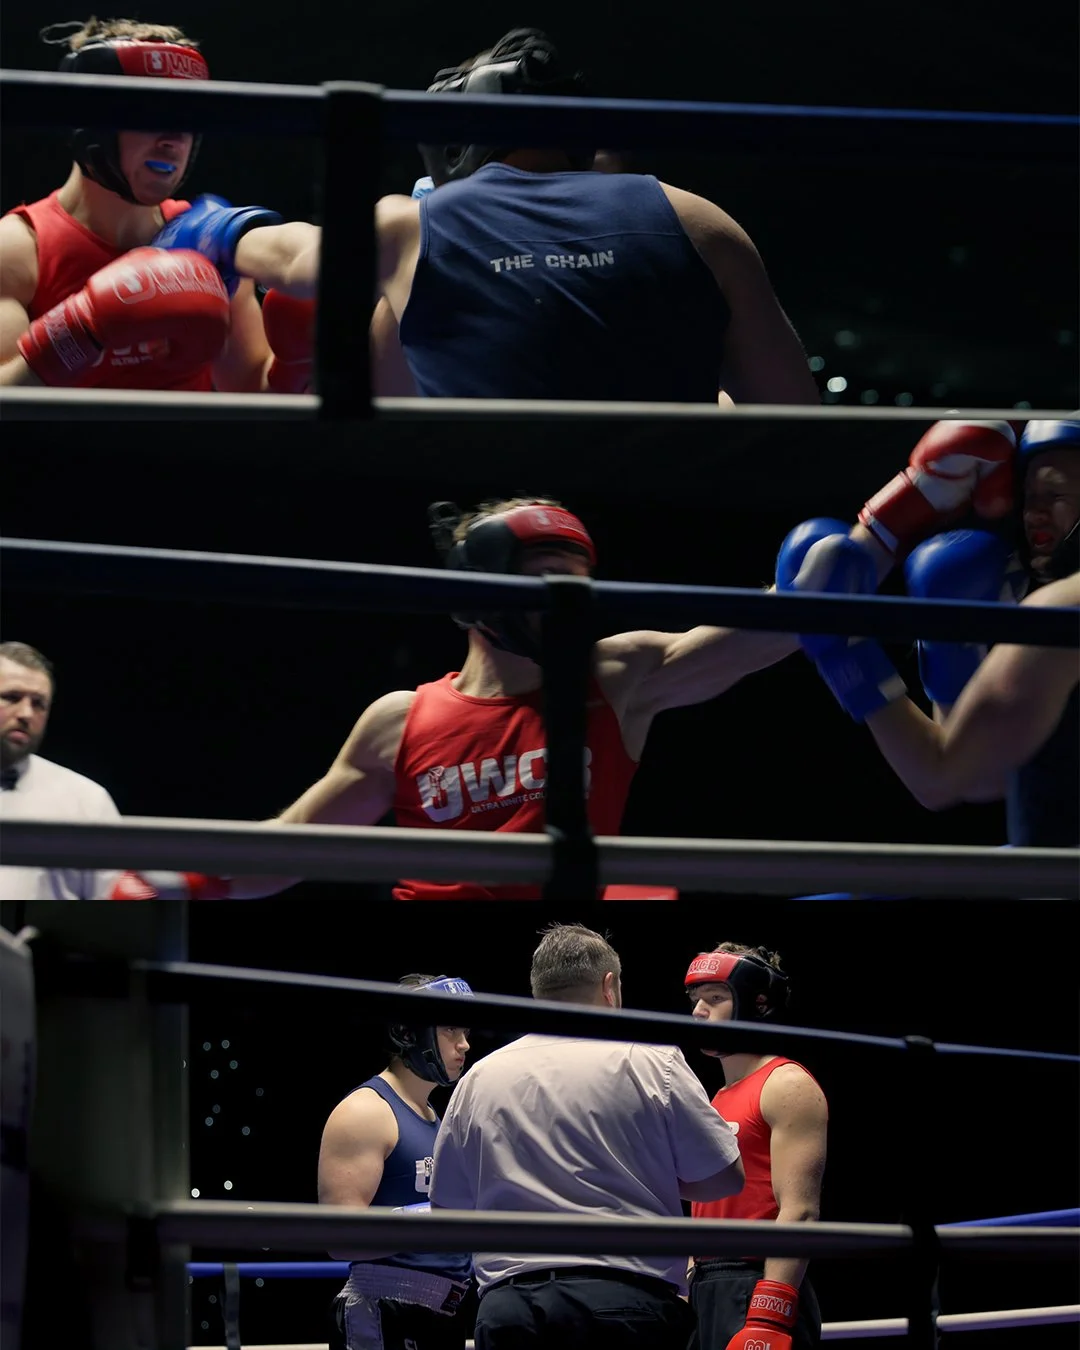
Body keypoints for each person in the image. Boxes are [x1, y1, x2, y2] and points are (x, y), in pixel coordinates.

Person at [117, 416, 1020, 900]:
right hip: (435, 947)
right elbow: (288, 850)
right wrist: (166, 876)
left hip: (575, 930)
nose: (568, 599)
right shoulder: (400, 721)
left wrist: (887, 523)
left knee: (819, 557)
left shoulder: (617, 674)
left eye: (578, 577)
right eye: (544, 578)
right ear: (479, 597)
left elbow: (779, 629)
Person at [147, 26, 821, 406]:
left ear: (456, 132)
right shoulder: (699, 219)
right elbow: (790, 413)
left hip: (499, 532)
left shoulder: (418, 222)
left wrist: (211, 225)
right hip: (680, 521)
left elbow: (298, 263)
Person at [428, 923, 745, 1350]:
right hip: (624, 1300)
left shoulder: (480, 1077)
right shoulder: (651, 1060)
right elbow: (724, 1178)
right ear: (609, 986)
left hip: (510, 1308)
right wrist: (651, 1173)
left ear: (538, 989)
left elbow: (449, 1206)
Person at [775, 418, 1079, 846]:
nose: (1034, 514)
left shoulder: (1062, 610)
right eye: (1029, 498)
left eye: (1054, 494)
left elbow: (949, 778)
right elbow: (988, 772)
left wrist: (842, 651)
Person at [0, 17, 302, 394]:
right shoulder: (16, 249)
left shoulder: (207, 241)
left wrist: (299, 360)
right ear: (88, 121)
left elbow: (251, 388)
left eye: (187, 116)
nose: (174, 138)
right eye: (151, 111)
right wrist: (80, 329)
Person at [318, 973, 475, 1350]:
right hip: (383, 1308)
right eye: (450, 1029)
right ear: (408, 1033)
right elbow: (339, 1237)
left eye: (465, 1029)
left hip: (443, 1312)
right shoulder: (365, 1111)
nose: (465, 1044)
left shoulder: (433, 1116)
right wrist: (431, 1216)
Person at [684, 944, 827, 1350]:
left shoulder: (787, 1084)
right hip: (710, 1288)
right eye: (696, 1000)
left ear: (756, 1003)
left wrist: (771, 1312)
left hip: (757, 1279)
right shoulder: (717, 1098)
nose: (698, 1011)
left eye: (715, 998)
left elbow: (799, 1210)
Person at [0, 641, 122, 900]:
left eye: (39, 704)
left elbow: (114, 905)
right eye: (11, 697)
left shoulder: (86, 801)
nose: (25, 713)